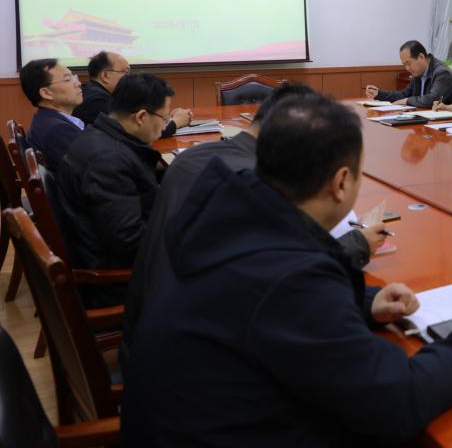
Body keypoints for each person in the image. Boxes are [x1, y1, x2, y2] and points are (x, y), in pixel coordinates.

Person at [122, 94, 452, 446]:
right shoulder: (291, 274)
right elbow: (394, 402)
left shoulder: (228, 213)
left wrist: (364, 302)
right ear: (342, 182)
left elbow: (260, 308)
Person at [122, 83, 392, 350]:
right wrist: (357, 244)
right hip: (197, 350)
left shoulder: (190, 157)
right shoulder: (254, 184)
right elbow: (283, 279)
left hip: (148, 325)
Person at [55, 72, 174, 307]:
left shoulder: (99, 136)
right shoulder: (107, 161)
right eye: (164, 118)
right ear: (141, 117)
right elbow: (130, 241)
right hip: (116, 283)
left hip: (107, 256)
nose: (164, 126)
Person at [73, 50, 192, 135]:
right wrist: (176, 122)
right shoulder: (97, 100)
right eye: (125, 72)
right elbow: (135, 131)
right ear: (105, 75)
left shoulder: (97, 92)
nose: (130, 77)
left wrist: (163, 117)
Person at [19, 58, 84, 169]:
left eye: (74, 77)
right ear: (46, 93)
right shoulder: (58, 130)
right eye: (68, 79)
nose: (78, 83)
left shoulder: (45, 120)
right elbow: (92, 168)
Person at [365, 40, 452, 107]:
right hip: (423, 118)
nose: (407, 68)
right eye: (404, 65)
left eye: (408, 63)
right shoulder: (418, 73)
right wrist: (379, 94)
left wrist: (407, 101)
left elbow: (433, 99)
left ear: (421, 57)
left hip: (445, 122)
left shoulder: (442, 72)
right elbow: (404, 94)